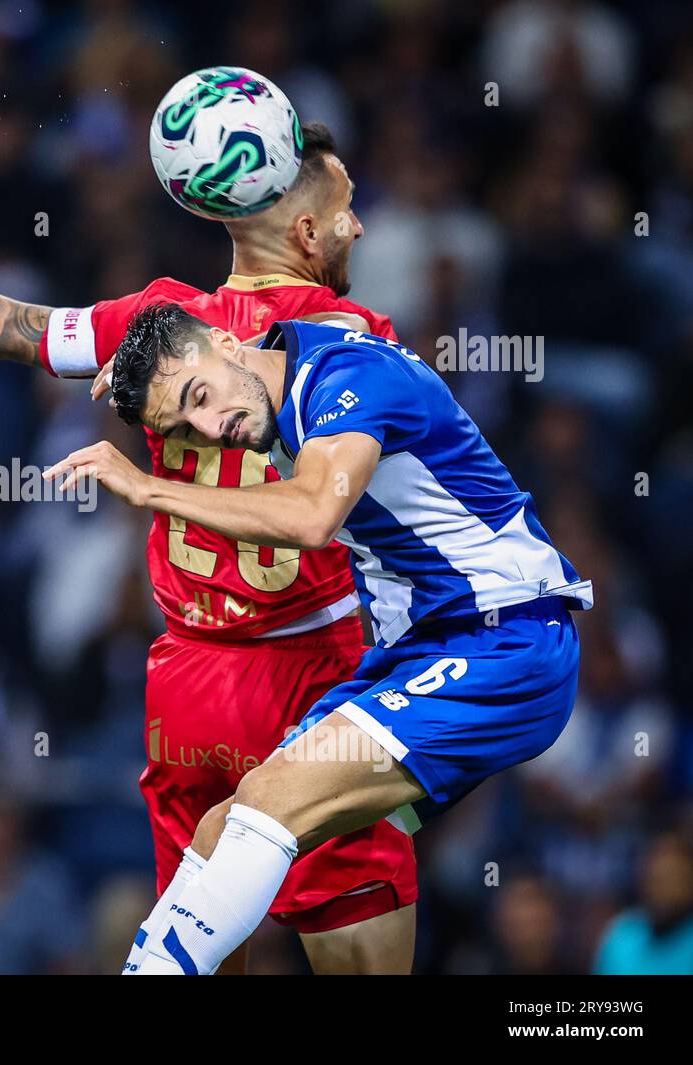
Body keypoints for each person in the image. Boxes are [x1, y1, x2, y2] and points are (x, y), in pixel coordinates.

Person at [0, 117, 418, 973]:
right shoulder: (352, 339)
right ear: (302, 227)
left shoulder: (158, 325)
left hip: (188, 687)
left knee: (189, 954)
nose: (358, 224)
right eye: (344, 207)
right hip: (310, 678)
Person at [43, 307, 593, 974]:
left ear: (225, 343)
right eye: (184, 425)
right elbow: (261, 315)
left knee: (267, 807)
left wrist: (147, 486)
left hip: (506, 640)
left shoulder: (346, 380)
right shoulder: (274, 368)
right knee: (223, 830)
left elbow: (311, 514)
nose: (212, 428)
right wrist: (139, 357)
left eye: (199, 396)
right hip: (419, 657)